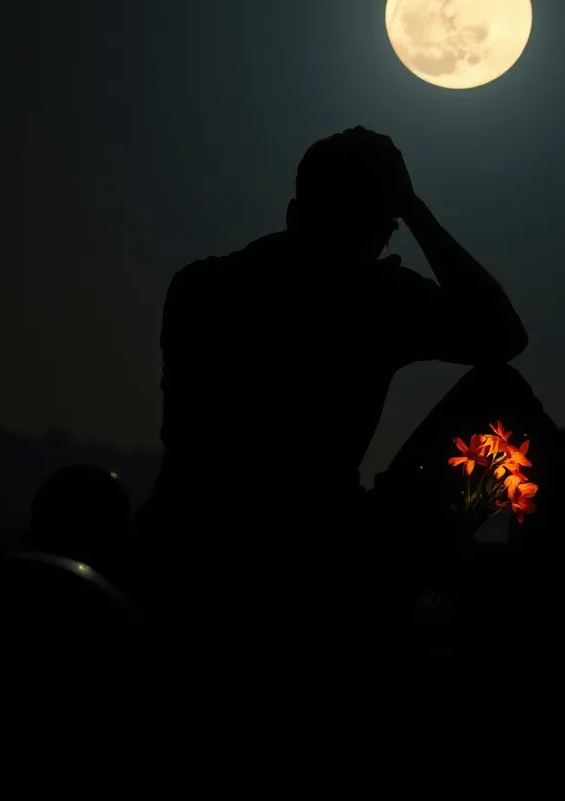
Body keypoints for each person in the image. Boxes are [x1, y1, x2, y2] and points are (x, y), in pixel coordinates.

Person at [135, 127, 543, 687]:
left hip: (181, 554)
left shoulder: (197, 286)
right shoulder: (376, 299)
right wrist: (415, 211)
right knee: (505, 399)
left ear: (294, 211)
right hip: (325, 565)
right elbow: (504, 337)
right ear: (378, 229)